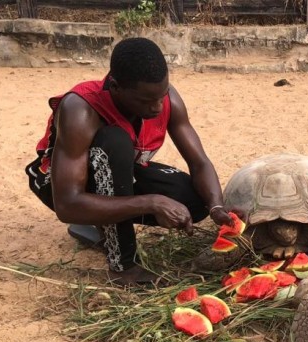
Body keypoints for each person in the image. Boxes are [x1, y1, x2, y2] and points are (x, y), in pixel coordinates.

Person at [25, 37, 234, 285]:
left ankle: (98, 229)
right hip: (59, 185)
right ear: (115, 86)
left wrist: (217, 207)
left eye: (162, 95)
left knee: (194, 199)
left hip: (119, 170)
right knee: (115, 141)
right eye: (146, 101)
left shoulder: (166, 99)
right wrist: (151, 202)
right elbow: (67, 204)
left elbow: (199, 162)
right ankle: (123, 265)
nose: (157, 107)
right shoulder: (80, 110)